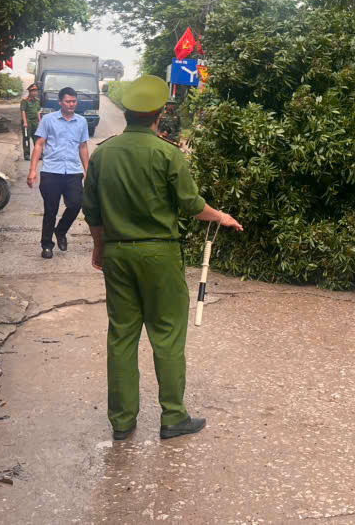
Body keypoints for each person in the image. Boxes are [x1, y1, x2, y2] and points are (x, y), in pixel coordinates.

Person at [83, 75, 242, 442]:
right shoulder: (168, 154)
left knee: (121, 335)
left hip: (118, 254)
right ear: (158, 114)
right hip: (159, 253)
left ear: (127, 113)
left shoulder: (103, 154)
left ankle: (122, 422)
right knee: (167, 334)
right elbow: (190, 205)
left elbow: (91, 210)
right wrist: (221, 217)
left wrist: (99, 247)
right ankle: (173, 416)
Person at [27, 86, 89, 258]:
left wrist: (87, 171)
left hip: (73, 172)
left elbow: (83, 147)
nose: (71, 104)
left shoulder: (81, 122)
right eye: (68, 101)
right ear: (60, 102)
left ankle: (60, 231)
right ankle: (47, 245)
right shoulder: (48, 120)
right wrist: (33, 170)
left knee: (76, 204)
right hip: (51, 171)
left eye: (74, 101)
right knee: (50, 210)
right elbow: (39, 144)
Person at [20, 83, 41, 160]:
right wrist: (25, 122)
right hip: (27, 121)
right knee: (26, 138)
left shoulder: (37, 101)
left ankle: (39, 154)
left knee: (37, 138)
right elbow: (23, 111)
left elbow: (38, 111)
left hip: (35, 122)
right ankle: (27, 155)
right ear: (30, 92)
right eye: (34, 91)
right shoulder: (24, 101)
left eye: (36, 91)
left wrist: (40, 121)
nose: (35, 93)